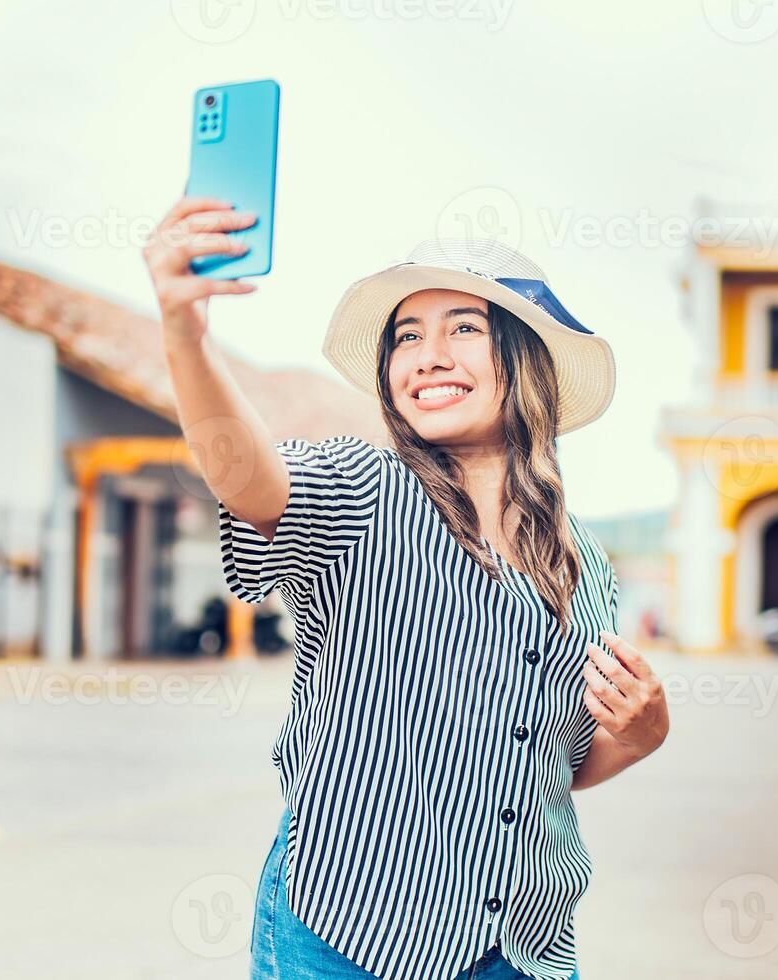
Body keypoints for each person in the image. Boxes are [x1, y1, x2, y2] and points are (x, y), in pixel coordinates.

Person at [141, 198, 670, 980]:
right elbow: (247, 476)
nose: (426, 355)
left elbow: (554, 761)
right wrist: (184, 332)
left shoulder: (583, 565)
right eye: (406, 338)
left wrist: (639, 734)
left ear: (526, 362)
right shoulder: (360, 493)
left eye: (463, 328)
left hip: (523, 950)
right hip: (349, 935)